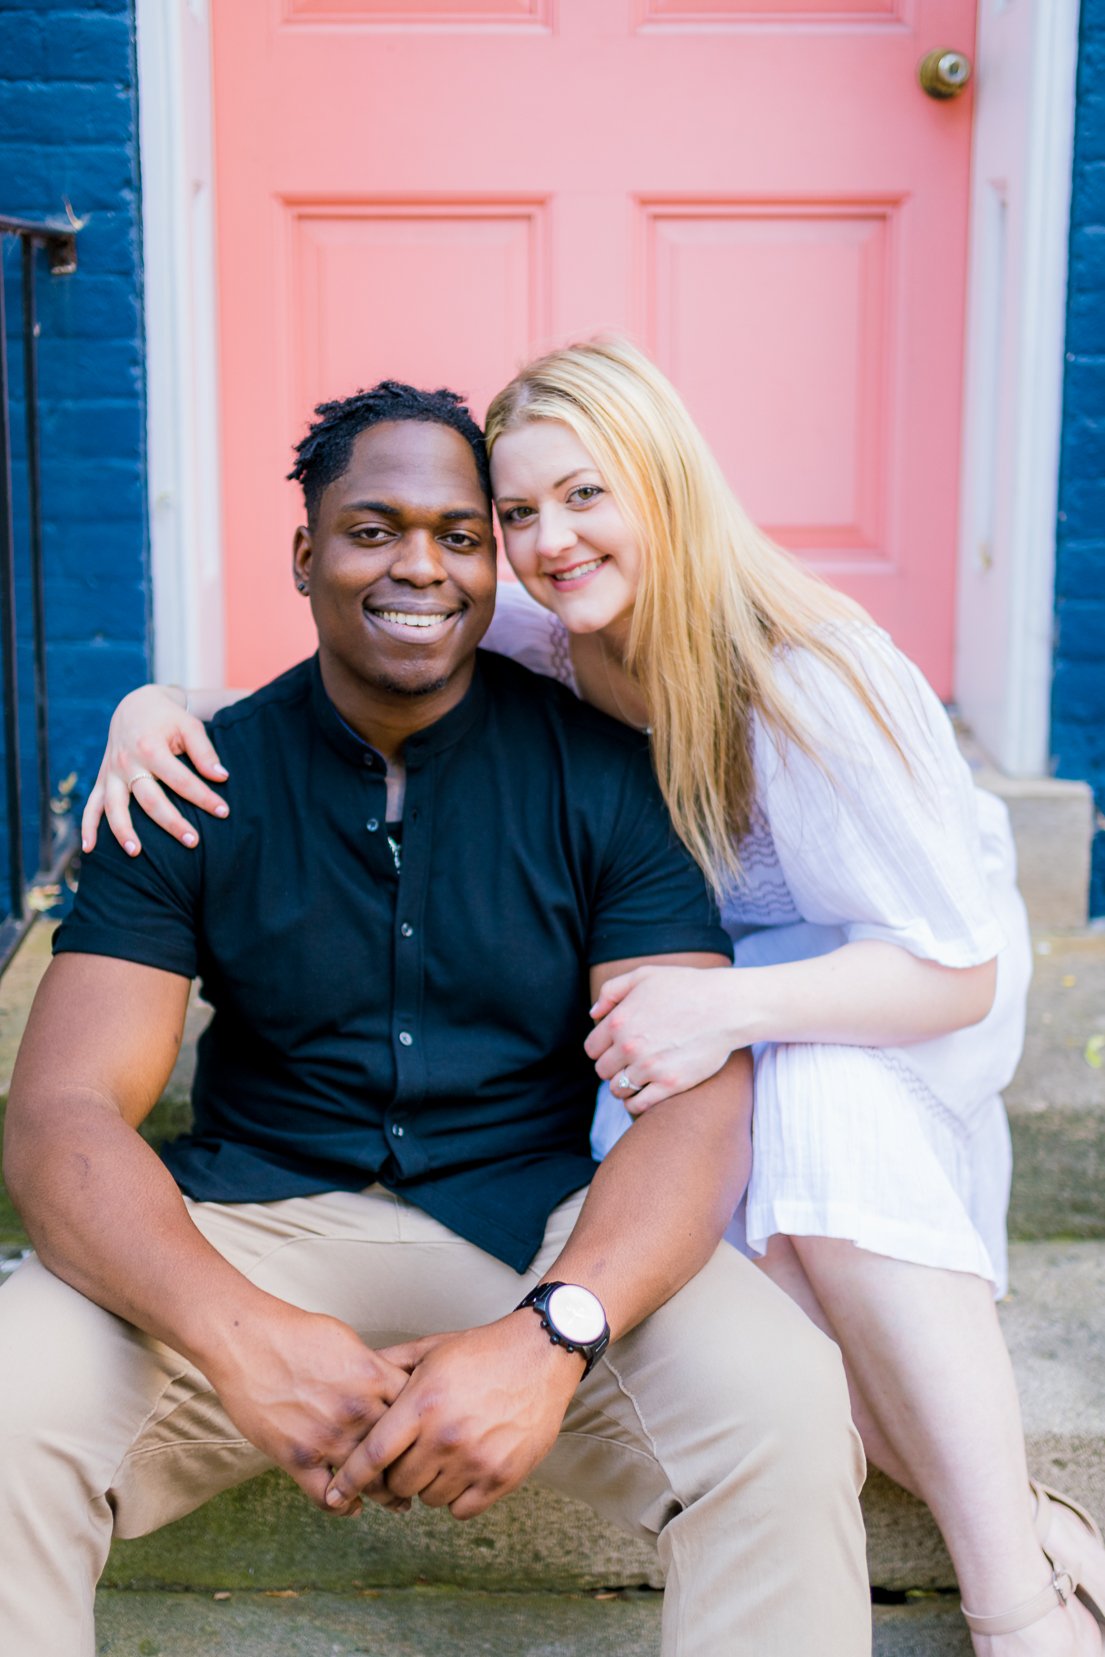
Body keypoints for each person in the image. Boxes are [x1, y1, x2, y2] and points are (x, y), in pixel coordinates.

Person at [87, 341, 1105, 1655]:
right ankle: (1028, 1516)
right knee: (743, 1270)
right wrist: (153, 704)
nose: (550, 541)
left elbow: (957, 968)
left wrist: (731, 1010)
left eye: (586, 494)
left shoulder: (816, 676)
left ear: (661, 486)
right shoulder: (549, 637)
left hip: (883, 986)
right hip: (691, 990)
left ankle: (1015, 1594)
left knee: (816, 1114)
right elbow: (343, 666)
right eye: (517, 514)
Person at [0, 383, 871, 1657]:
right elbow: (61, 1116)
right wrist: (239, 1338)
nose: (420, 564)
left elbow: (694, 1099)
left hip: (533, 1227)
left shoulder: (606, 777)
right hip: (250, 1227)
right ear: (305, 553)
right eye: (374, 528)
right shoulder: (192, 781)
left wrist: (552, 1332)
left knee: (784, 1407)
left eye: (461, 534)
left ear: (495, 559)